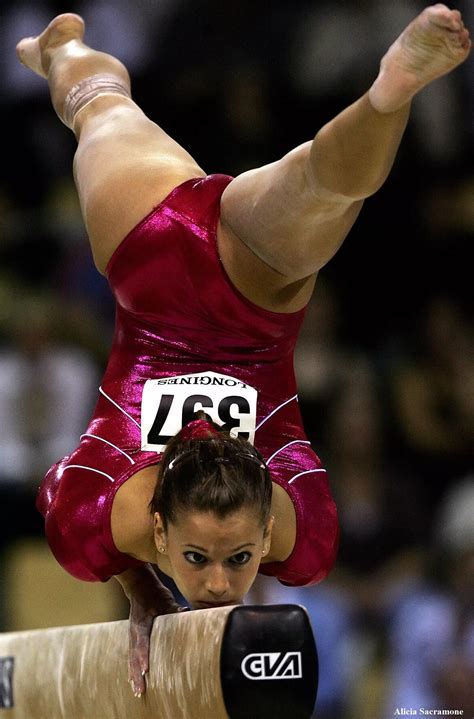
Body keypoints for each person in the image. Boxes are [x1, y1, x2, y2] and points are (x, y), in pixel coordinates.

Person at [16, 5, 470, 698]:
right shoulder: (304, 534)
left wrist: (138, 584)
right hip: (255, 286)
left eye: (205, 556)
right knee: (321, 187)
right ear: (268, 526)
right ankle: (391, 92)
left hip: (151, 253)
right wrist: (144, 578)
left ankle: (61, 49)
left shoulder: (100, 521)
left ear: (159, 527)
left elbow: (55, 484)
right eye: (228, 556)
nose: (220, 581)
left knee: (97, 103)